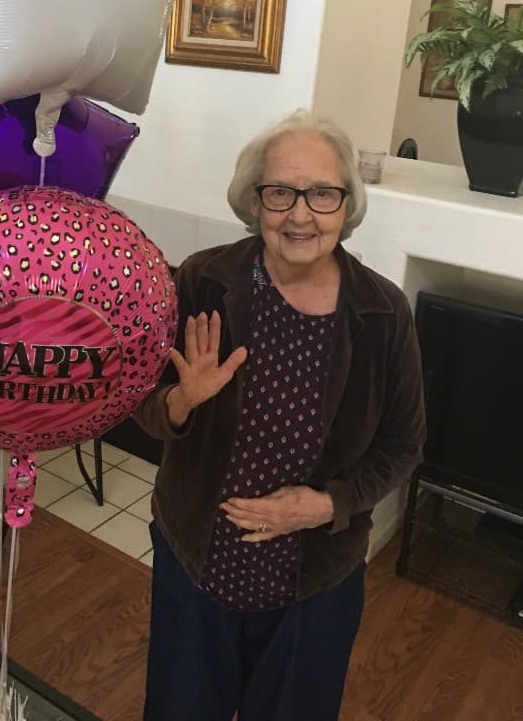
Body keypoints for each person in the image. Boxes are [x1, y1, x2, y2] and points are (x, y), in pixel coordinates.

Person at [135, 109, 426, 721]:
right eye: (280, 193)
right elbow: (143, 404)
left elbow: (404, 444)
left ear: (347, 204)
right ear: (253, 200)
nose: (300, 214)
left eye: (322, 193)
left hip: (315, 579)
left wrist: (326, 505)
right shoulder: (202, 281)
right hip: (196, 560)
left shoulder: (383, 312)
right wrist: (182, 402)